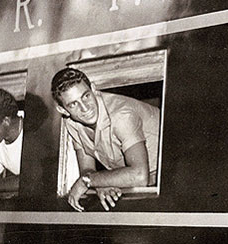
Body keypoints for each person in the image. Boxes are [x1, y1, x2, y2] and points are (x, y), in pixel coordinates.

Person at [51, 67, 160, 211]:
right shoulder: (71, 123)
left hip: (172, 175)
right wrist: (99, 183)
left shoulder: (121, 116)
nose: (85, 108)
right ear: (63, 110)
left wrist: (90, 181)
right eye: (73, 104)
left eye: (86, 96)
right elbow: (87, 169)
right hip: (143, 184)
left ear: (94, 89)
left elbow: (140, 176)